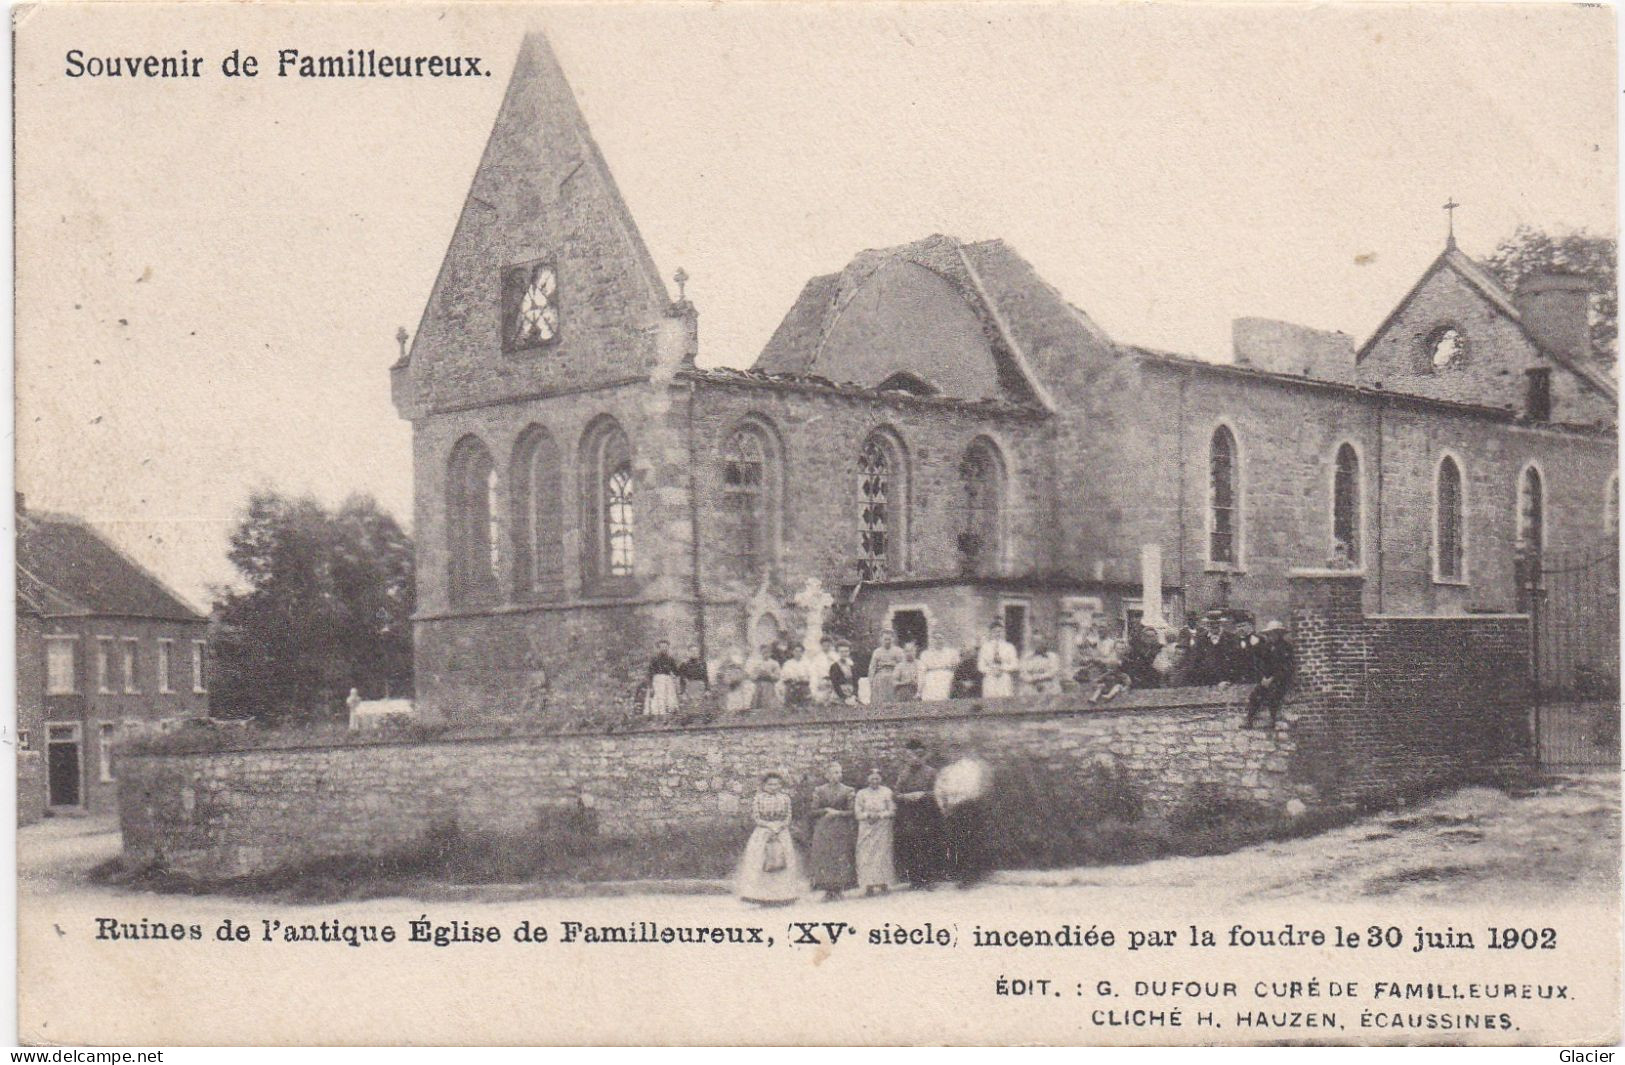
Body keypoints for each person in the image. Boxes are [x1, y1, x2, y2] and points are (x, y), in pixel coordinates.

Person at [735, 770, 808, 905]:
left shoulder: (785, 798)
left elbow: (788, 817)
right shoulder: (758, 798)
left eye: (776, 784)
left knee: (783, 860)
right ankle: (761, 896)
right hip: (763, 832)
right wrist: (769, 826)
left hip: (781, 832)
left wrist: (779, 827)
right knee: (760, 861)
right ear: (764, 785)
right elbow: (756, 817)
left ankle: (783, 896)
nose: (773, 787)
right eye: (770, 785)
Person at [935, 744, 994, 888]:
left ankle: (971, 875)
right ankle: (960, 873)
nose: (952, 754)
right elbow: (939, 789)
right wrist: (943, 806)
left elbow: (974, 789)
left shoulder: (971, 768)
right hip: (951, 809)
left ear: (961, 752)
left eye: (955, 751)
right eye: (949, 752)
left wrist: (961, 802)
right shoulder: (946, 771)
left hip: (968, 807)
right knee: (955, 841)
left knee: (969, 841)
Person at [893, 740, 945, 888]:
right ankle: (915, 880)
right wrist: (905, 797)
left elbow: (939, 792)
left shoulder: (931, 772)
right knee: (911, 846)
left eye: (918, 755)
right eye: (911, 756)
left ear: (922, 756)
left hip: (927, 814)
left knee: (928, 845)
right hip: (909, 816)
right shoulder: (903, 774)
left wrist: (923, 794)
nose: (914, 758)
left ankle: (929, 880)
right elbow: (895, 794)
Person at [807, 761, 857, 901]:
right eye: (834, 772)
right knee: (825, 858)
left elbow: (853, 811)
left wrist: (838, 813)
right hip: (824, 828)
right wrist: (825, 810)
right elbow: (813, 810)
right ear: (827, 775)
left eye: (840, 772)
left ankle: (839, 889)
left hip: (841, 827)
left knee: (840, 856)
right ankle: (828, 890)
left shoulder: (848, 790)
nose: (838, 775)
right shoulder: (819, 790)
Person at [1244, 620, 1296, 729]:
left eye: (1273, 633)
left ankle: (1273, 720)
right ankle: (1249, 720)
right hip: (1267, 679)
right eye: (1269, 634)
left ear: (1279, 634)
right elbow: (1261, 662)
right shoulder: (1267, 647)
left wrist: (1272, 678)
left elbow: (1286, 667)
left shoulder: (1286, 647)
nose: (1270, 636)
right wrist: (1264, 677)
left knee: (1274, 696)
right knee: (1255, 696)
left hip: (1280, 680)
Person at [853, 767, 896, 895]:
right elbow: (857, 812)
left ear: (881, 779)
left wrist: (881, 815)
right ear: (867, 779)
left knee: (882, 854)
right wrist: (867, 816)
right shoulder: (861, 794)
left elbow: (892, 810)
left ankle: (883, 883)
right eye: (872, 778)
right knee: (866, 855)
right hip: (866, 827)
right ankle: (868, 885)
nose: (874, 781)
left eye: (877, 778)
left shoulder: (887, 792)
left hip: (882, 827)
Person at [977, 620, 1019, 698]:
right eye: (994, 632)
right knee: (990, 701)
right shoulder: (984, 648)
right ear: (990, 633)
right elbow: (980, 666)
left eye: (999, 631)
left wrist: (1002, 668)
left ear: (1003, 632)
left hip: (1004, 677)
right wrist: (991, 670)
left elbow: (1015, 664)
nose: (997, 634)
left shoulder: (1009, 647)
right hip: (990, 677)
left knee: (1005, 699)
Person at [867, 630, 904, 704]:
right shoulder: (877, 652)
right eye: (885, 639)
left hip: (894, 674)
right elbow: (872, 667)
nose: (887, 641)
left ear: (893, 639)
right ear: (881, 640)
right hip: (880, 675)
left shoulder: (898, 651)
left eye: (889, 639)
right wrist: (871, 679)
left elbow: (902, 665)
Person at [646, 640, 681, 716]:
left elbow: (676, 672)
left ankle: (670, 718)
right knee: (658, 700)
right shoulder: (654, 659)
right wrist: (651, 687)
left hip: (668, 682)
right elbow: (649, 674)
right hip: (657, 682)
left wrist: (677, 672)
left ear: (668, 648)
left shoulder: (670, 659)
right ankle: (659, 718)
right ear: (659, 648)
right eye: (662, 647)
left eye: (666, 647)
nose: (664, 649)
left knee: (670, 701)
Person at [749, 643, 782, 711]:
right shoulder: (757, 663)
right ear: (761, 653)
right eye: (764, 652)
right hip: (759, 686)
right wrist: (758, 674)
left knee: (770, 705)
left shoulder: (774, 663)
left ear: (771, 653)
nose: (765, 654)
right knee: (758, 705)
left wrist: (769, 674)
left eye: (767, 652)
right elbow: (752, 677)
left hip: (769, 686)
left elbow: (778, 677)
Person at [719, 647, 753, 713]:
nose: (733, 665)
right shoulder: (728, 671)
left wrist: (738, 679)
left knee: (740, 704)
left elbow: (744, 677)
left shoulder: (740, 671)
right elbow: (726, 681)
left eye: (735, 665)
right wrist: (731, 681)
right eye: (732, 665)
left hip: (739, 690)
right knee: (732, 705)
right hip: (731, 690)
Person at [804, 637, 836, 704]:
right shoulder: (817, 657)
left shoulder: (835, 656)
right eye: (824, 646)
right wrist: (820, 679)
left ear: (831, 645)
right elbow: (813, 670)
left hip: (833, 679)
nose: (826, 648)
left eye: (828, 646)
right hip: (821, 680)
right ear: (821, 646)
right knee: (814, 681)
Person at [779, 644, 811, 708]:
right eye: (796, 651)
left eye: (800, 651)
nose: (798, 653)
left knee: (804, 706)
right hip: (791, 686)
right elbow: (784, 676)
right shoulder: (788, 663)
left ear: (802, 652)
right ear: (793, 652)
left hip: (803, 686)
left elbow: (810, 675)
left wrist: (803, 678)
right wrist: (792, 678)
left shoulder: (807, 663)